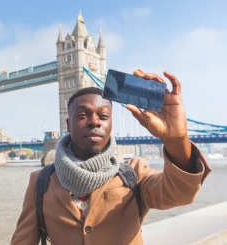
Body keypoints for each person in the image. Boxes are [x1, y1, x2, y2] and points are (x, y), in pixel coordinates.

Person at [11, 69, 211, 245]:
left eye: (103, 116)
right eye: (82, 115)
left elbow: (180, 194)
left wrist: (176, 140)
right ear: (67, 123)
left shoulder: (134, 173)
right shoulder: (40, 181)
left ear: (111, 123)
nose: (94, 122)